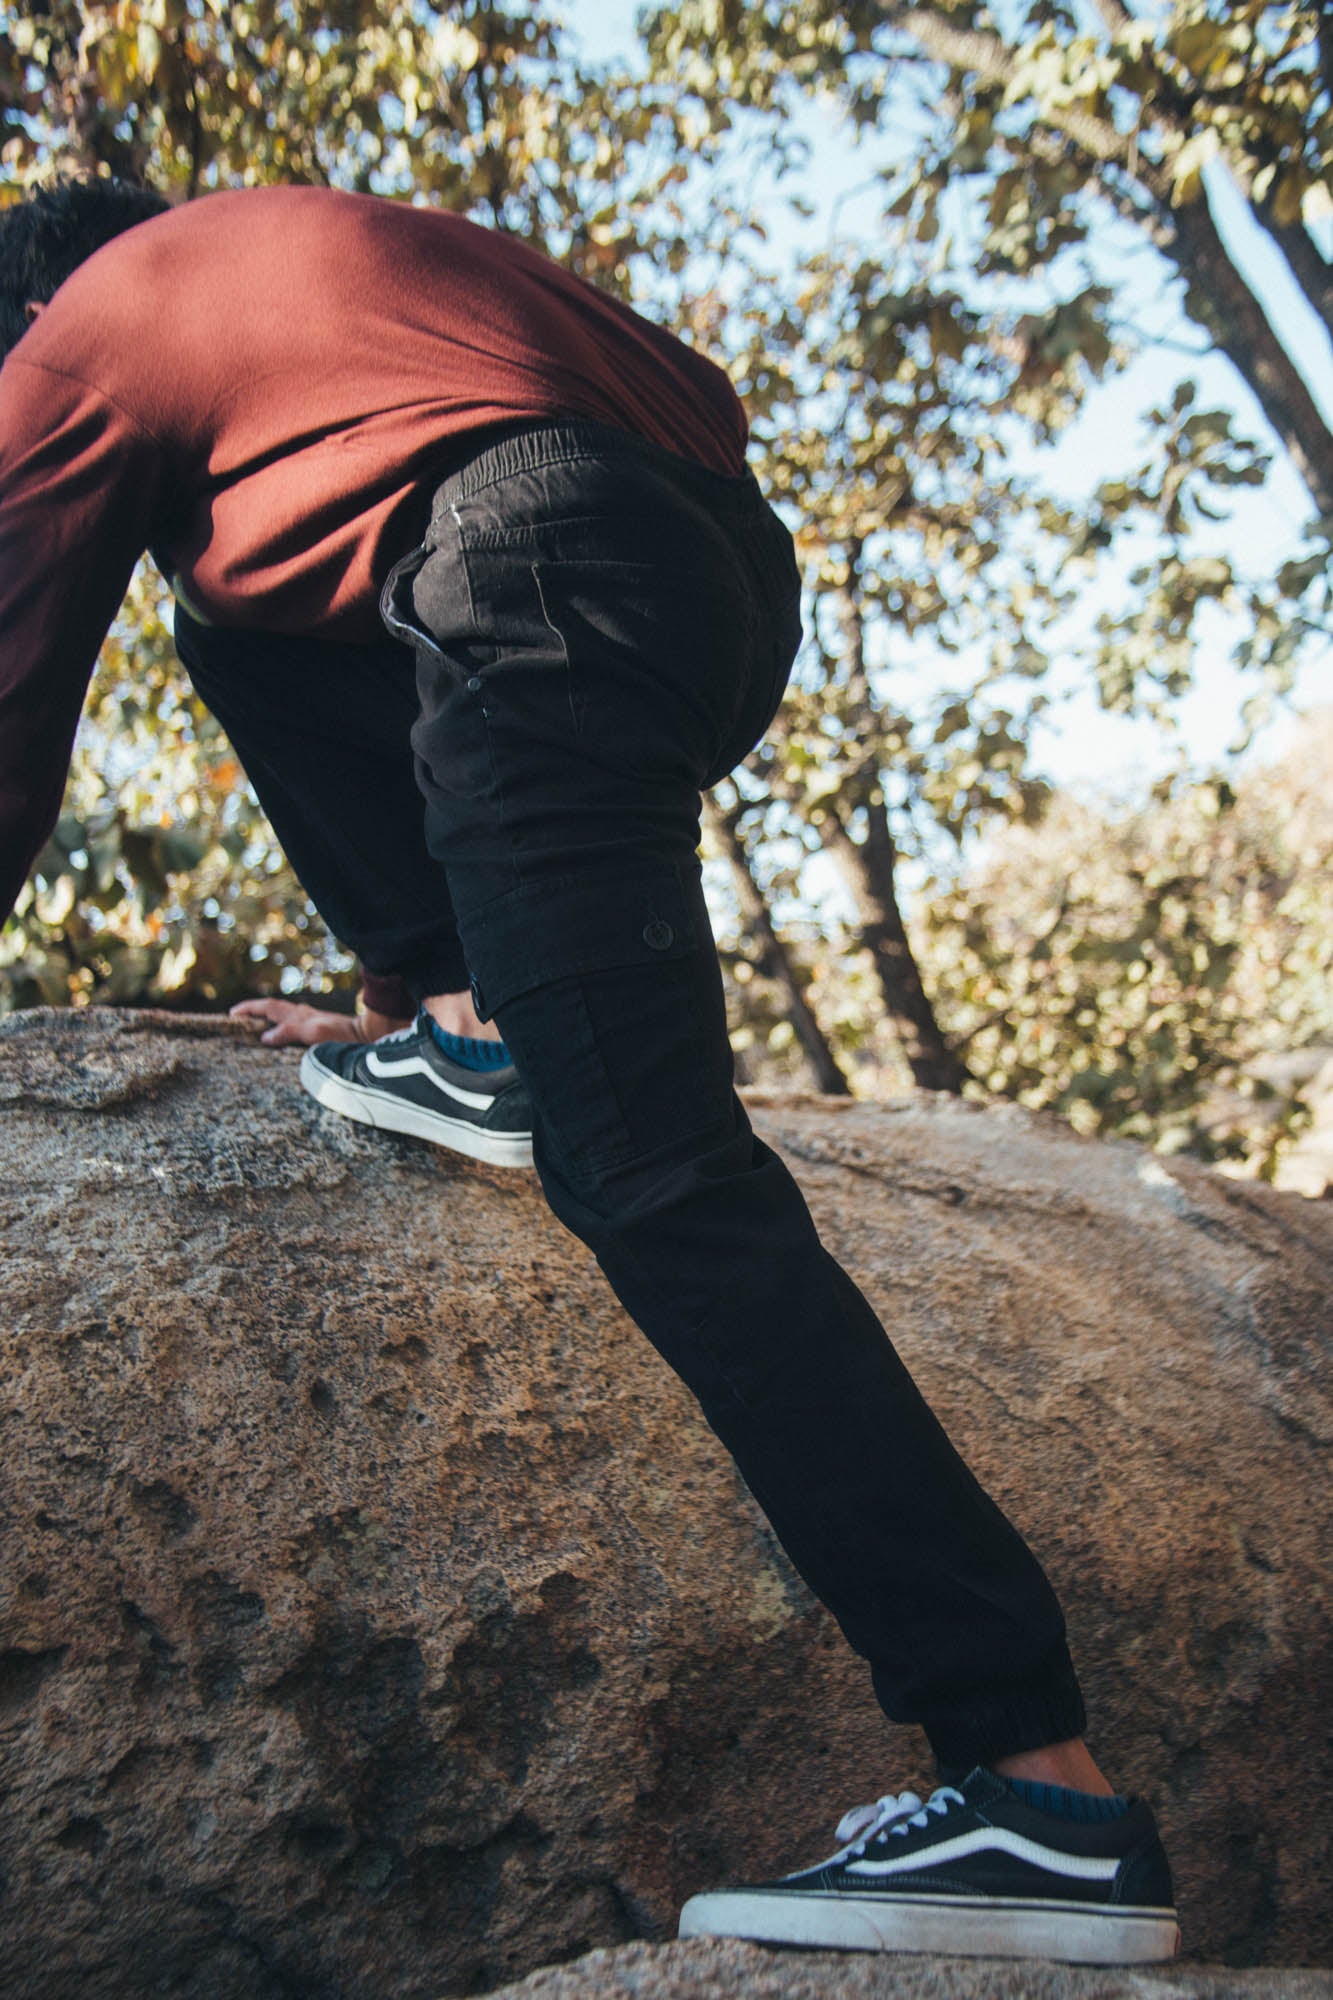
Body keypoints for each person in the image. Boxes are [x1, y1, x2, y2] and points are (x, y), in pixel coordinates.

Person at [0, 176, 1178, 1963]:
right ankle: (471, 1036)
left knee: (655, 1178)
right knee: (225, 606)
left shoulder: (85, 329)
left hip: (527, 568)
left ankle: (1039, 1791)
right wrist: (414, 993)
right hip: (710, 583)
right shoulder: (328, 277)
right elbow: (677, 420)